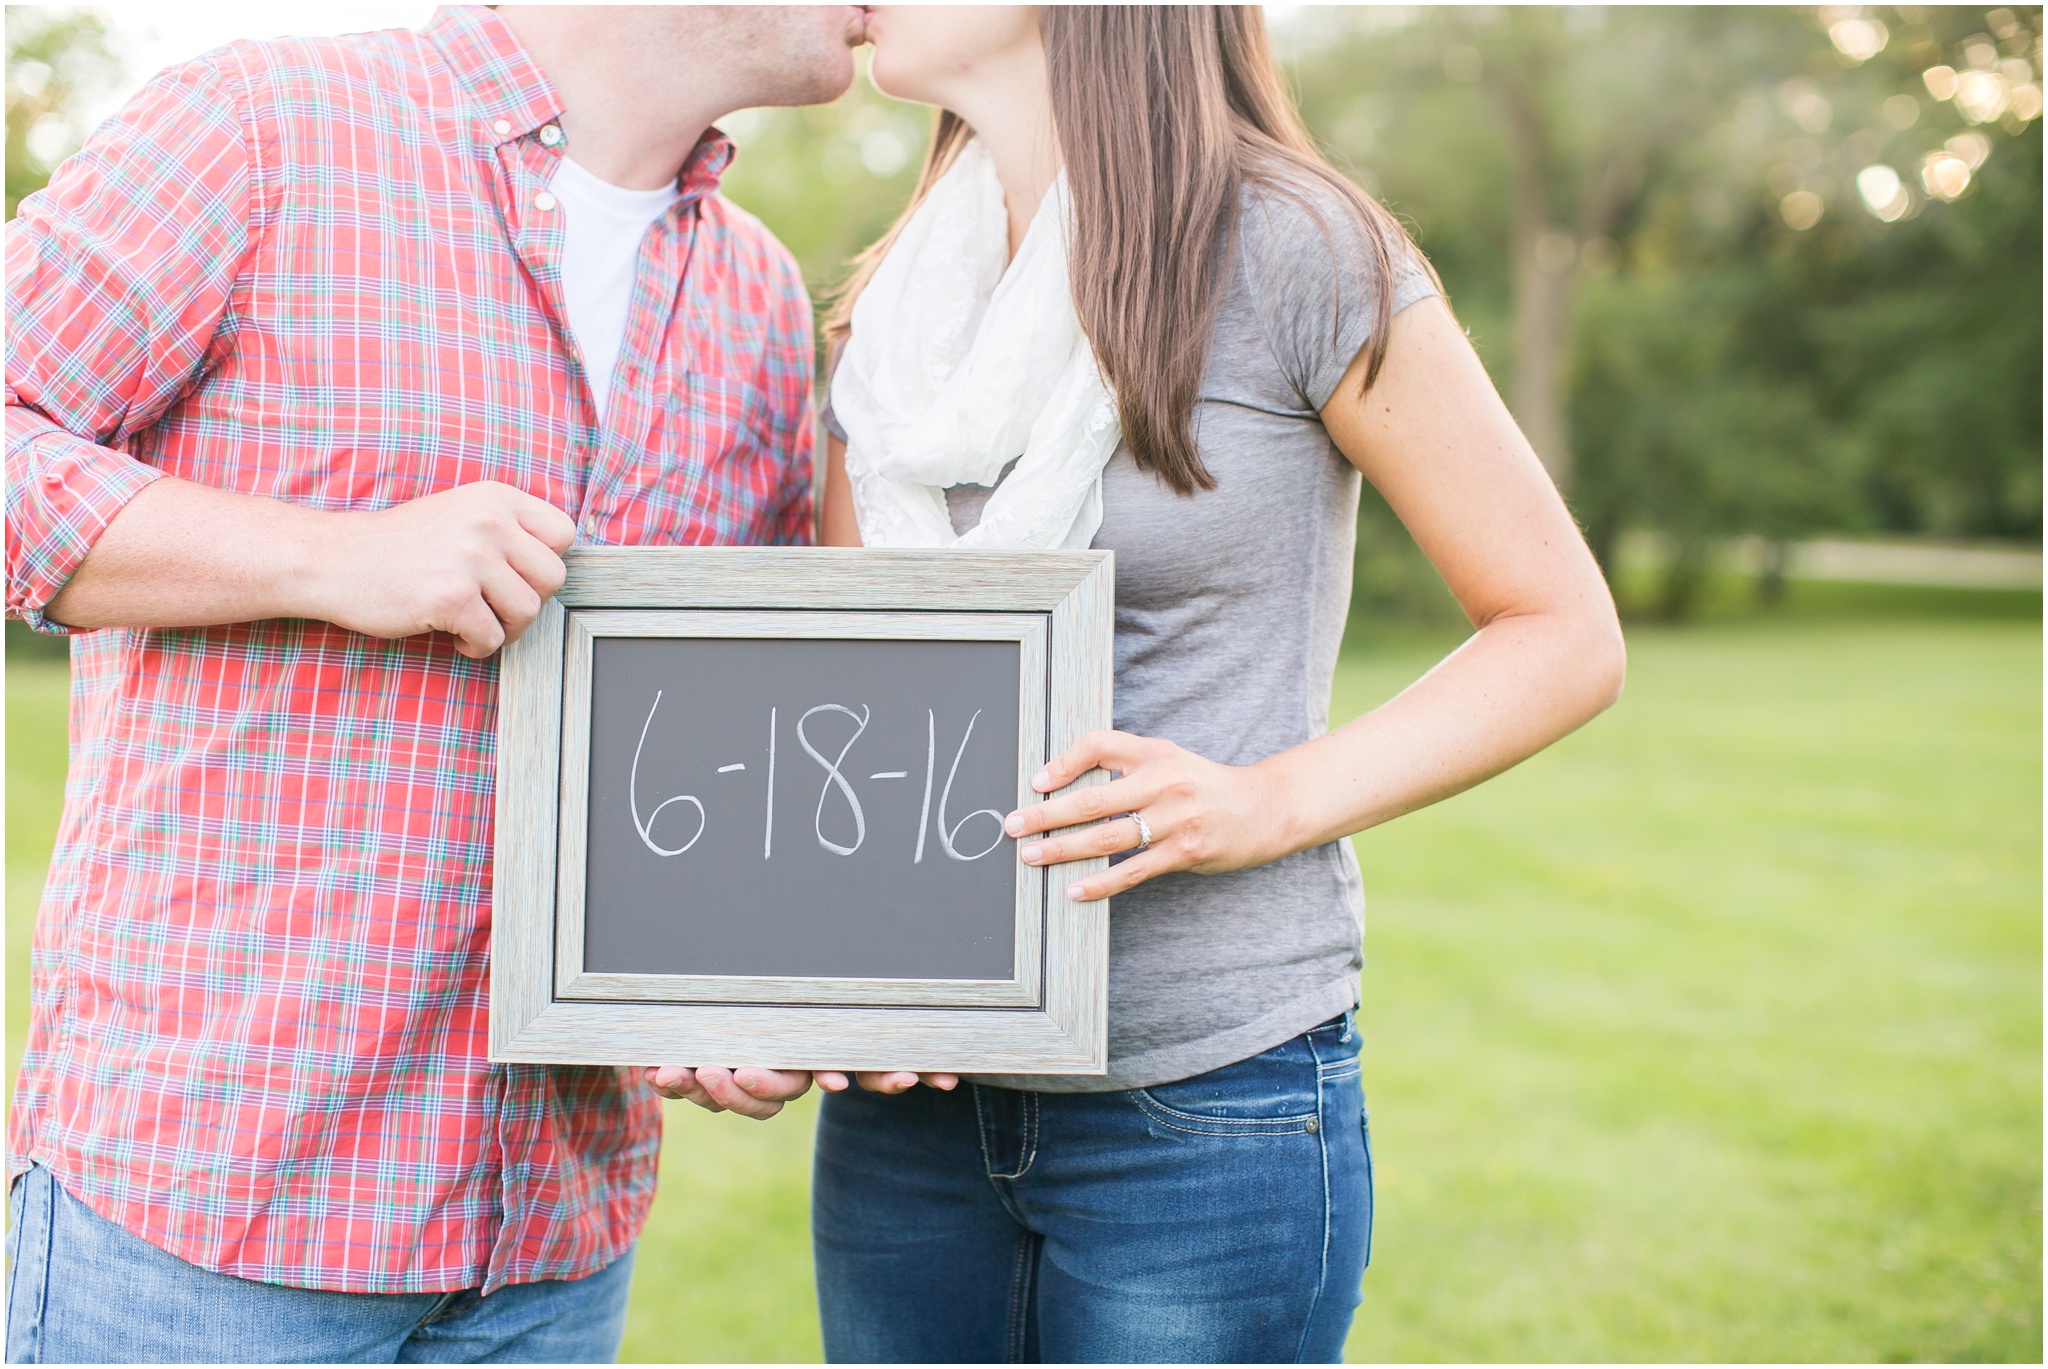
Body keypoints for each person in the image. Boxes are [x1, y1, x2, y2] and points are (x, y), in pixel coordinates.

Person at [2, 5, 842, 1361]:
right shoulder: (263, 130)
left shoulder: (755, 295)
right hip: (208, 1223)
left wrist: (735, 990)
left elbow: (741, 732)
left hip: (552, 1244)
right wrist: (335, 558)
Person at [806, 6, 1628, 1362]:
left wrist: (1265, 801)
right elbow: (860, 698)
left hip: (1199, 1108)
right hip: (914, 1110)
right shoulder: (894, 313)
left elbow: (1562, 628)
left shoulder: (1297, 248)